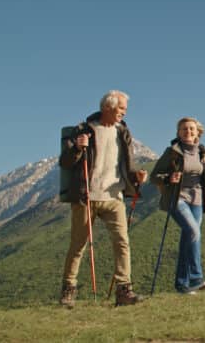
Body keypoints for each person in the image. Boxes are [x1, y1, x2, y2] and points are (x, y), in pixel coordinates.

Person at [59, 90, 148, 307]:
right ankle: (68, 289)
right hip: (86, 196)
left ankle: (124, 289)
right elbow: (65, 162)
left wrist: (136, 176)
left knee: (122, 242)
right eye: (121, 108)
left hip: (114, 196)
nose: (124, 112)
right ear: (108, 107)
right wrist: (78, 147)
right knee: (78, 244)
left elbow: (126, 163)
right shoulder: (84, 130)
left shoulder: (123, 132)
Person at [150, 117, 205, 294]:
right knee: (193, 232)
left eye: (191, 129)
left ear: (198, 132)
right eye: (183, 129)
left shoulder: (202, 153)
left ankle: (182, 285)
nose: (187, 131)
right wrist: (169, 178)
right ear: (178, 133)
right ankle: (196, 278)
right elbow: (154, 177)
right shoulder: (172, 152)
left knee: (188, 239)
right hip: (177, 198)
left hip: (197, 200)